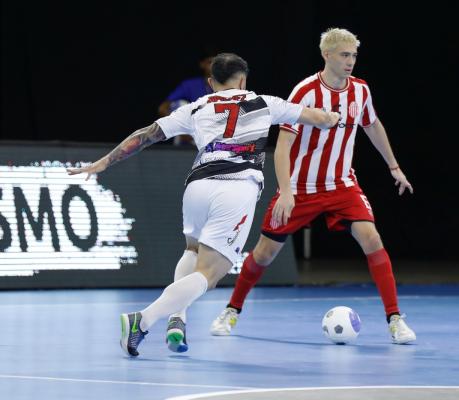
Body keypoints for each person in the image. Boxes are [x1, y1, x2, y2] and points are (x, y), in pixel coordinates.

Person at [67, 53, 340, 357]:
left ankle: (177, 319)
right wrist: (333, 117)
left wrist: (104, 162)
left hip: (197, 185)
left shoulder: (197, 106)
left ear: (211, 83)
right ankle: (141, 321)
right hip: (235, 189)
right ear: (244, 79)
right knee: (210, 274)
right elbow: (317, 118)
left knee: (192, 250)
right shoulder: (266, 103)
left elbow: (145, 135)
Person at [209, 28, 417, 344]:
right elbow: (281, 147)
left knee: (372, 238)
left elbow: (372, 125)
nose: (351, 61)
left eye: (354, 55)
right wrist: (287, 192)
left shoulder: (360, 91)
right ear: (327, 55)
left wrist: (394, 166)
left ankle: (395, 319)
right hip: (300, 187)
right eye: (345, 55)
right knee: (264, 254)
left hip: (342, 184)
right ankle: (231, 310)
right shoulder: (305, 91)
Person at [158, 50, 215, 145]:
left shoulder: (228, 87)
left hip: (215, 137)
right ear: (202, 64)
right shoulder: (190, 85)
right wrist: (180, 130)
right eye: (210, 62)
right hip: (190, 137)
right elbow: (163, 108)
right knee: (180, 104)